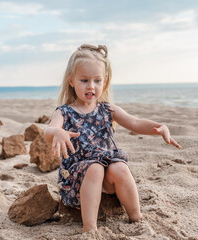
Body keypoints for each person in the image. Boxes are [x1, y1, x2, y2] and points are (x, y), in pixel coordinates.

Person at [44, 43, 181, 233]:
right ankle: (89, 229)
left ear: (105, 82)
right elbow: (48, 131)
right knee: (94, 167)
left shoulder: (107, 109)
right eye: (84, 80)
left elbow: (135, 122)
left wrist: (159, 127)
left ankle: (136, 218)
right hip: (78, 177)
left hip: (106, 173)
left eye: (97, 81)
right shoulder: (65, 112)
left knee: (120, 168)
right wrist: (57, 132)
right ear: (72, 81)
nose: (91, 86)